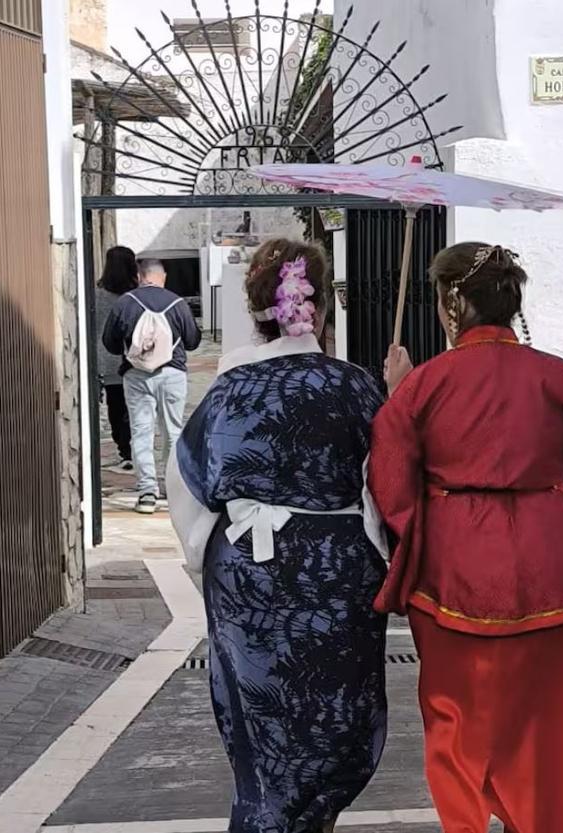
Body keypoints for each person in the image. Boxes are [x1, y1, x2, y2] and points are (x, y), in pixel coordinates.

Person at [370, 242, 563, 833]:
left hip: (454, 572)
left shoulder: (424, 386)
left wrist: (397, 395)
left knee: (455, 728)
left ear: (452, 306)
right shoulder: (559, 377)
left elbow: (391, 485)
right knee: (551, 734)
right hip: (555, 572)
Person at [167, 240, 388, 833]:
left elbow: (188, 485)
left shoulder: (227, 392)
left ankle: (265, 816)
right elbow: (388, 486)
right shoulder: (358, 387)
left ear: (256, 305)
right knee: (334, 715)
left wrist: (204, 560)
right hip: (338, 569)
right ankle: (316, 816)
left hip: (247, 569)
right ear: (322, 305)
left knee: (259, 720)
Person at [102, 258, 201, 514]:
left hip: (136, 376)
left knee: (141, 432)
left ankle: (147, 492)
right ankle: (172, 487)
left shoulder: (125, 303)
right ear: (163, 276)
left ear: (139, 276)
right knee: (173, 431)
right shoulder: (178, 304)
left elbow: (110, 342)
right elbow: (192, 341)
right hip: (172, 374)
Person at [94, 246, 139, 470]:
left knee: (115, 407)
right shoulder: (136, 295)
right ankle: (135, 448)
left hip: (106, 359)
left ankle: (124, 449)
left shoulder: (96, 294)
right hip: (134, 359)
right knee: (136, 406)